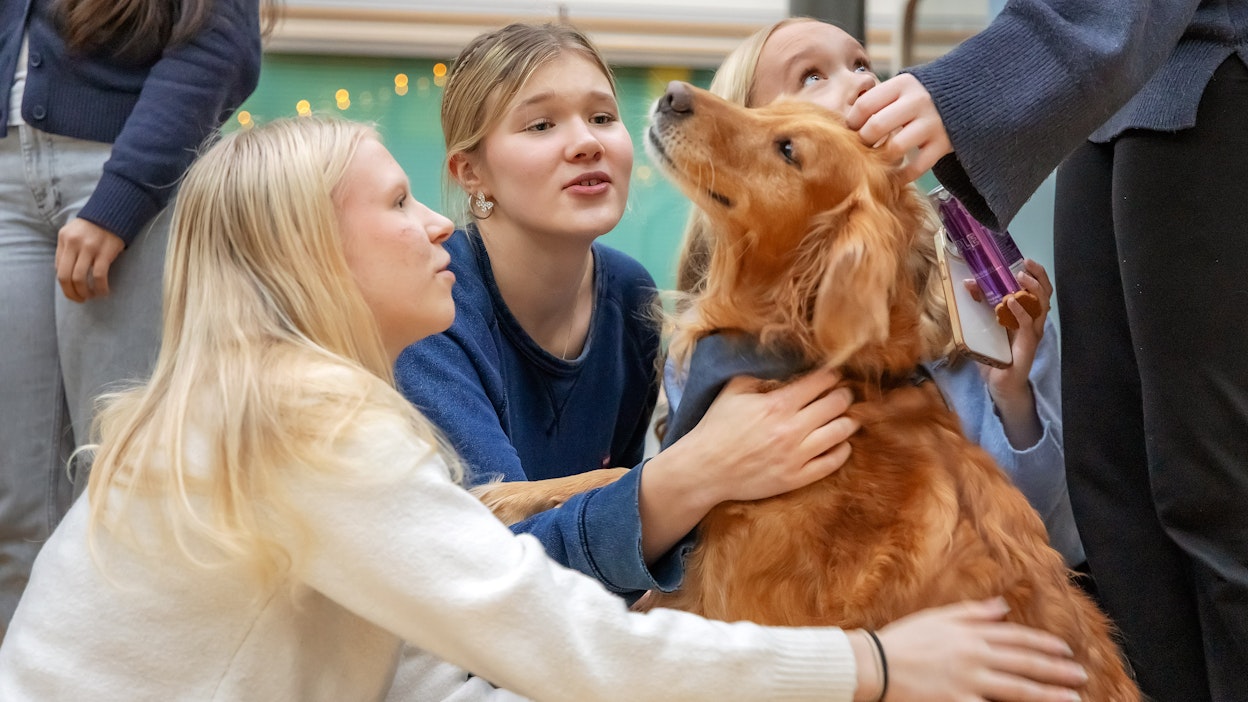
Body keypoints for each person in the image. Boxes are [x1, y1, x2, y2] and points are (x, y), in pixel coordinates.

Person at [0, 116, 1091, 702]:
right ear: (310, 258)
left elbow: (424, 677)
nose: (438, 226)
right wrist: (880, 668)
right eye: (396, 205)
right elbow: (556, 645)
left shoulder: (271, 412)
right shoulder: (311, 427)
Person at [845, 2, 1248, 699]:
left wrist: (984, 81)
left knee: (1208, 491)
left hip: (1201, 57)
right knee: (1117, 495)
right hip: (1114, 93)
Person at [395, 22, 858, 601]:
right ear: (471, 172)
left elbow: (617, 566)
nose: (586, 142)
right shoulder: (431, 306)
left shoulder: (630, 294)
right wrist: (695, 470)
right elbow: (490, 566)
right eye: (541, 125)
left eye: (602, 118)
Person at [667, 17, 1084, 570]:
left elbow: (1044, 537)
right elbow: (711, 533)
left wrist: (1012, 396)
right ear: (743, 140)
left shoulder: (981, 286)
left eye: (862, 63)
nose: (862, 82)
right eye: (811, 77)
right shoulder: (710, 349)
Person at [0, 0, 265, 636]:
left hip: (130, 178)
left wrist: (123, 197)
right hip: (7, 181)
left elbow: (218, 47)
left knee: (128, 481)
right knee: (12, 500)